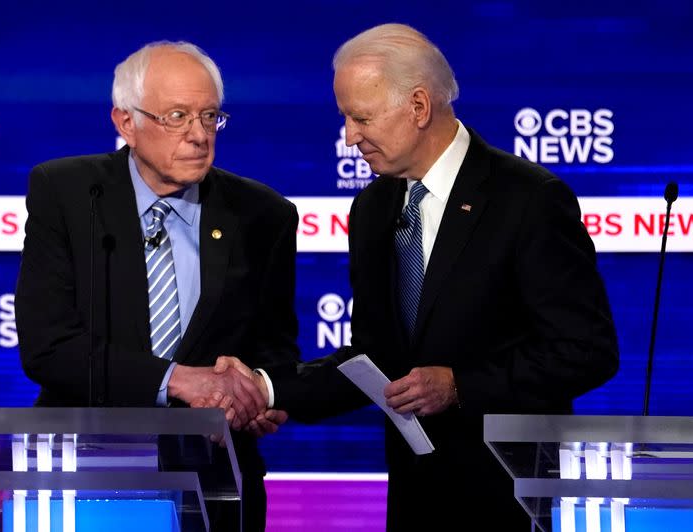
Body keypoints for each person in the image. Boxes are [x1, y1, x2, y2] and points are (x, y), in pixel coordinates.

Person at [216, 23, 619, 531]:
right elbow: (373, 362)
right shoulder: (373, 207)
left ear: (419, 107)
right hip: (415, 496)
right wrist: (265, 388)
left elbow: (587, 350)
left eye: (360, 117)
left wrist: (461, 386)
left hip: (511, 499)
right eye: (345, 117)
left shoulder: (528, 200)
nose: (349, 136)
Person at [15, 40, 298, 532]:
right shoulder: (68, 194)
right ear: (126, 122)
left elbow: (275, 348)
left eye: (210, 117)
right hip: (83, 476)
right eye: (177, 116)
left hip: (213, 482)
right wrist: (178, 379)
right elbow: (48, 347)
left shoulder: (263, 215)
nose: (198, 135)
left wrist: (257, 396)